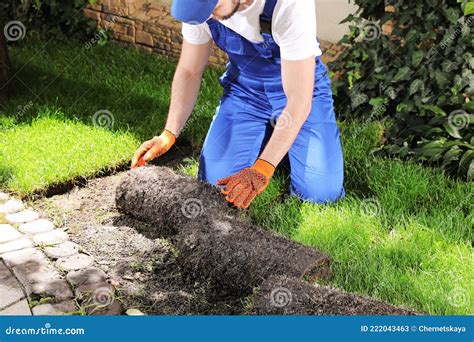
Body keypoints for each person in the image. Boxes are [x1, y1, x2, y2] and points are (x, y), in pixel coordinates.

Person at [131, 0, 345, 209]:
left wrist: (263, 167)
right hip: (246, 92)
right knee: (215, 184)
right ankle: (272, 136)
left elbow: (298, 101)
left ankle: (278, 144)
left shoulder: (287, 4)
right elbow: (190, 70)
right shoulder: (202, 9)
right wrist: (169, 133)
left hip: (302, 91)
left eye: (213, 9)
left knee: (320, 195)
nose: (208, 17)